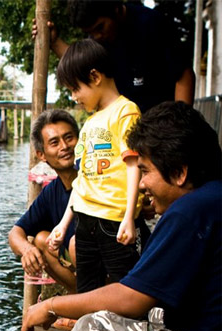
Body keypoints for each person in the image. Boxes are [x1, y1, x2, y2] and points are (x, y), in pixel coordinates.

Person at [22, 101, 222, 331]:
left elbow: (131, 298)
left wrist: (51, 308)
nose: (141, 183)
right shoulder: (209, 198)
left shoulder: (191, 211)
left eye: (144, 171)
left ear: (179, 172)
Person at [48, 39, 144, 295]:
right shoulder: (90, 124)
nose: (74, 97)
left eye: (75, 88)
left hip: (113, 221)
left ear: (95, 76)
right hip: (85, 220)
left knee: (128, 287)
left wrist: (128, 217)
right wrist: (63, 223)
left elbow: (134, 165)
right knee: (87, 287)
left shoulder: (126, 112)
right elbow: (83, 180)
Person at [33, 0, 194, 113]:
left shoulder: (152, 24)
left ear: (116, 9)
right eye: (90, 33)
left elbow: (184, 75)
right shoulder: (99, 40)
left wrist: (179, 123)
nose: (97, 36)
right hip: (130, 124)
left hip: (163, 121)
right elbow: (81, 66)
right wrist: (54, 42)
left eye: (100, 27)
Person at [8, 109, 79, 294]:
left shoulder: (95, 178)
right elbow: (15, 233)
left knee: (77, 244)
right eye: (54, 143)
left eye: (69, 138)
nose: (64, 146)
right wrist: (26, 250)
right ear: (42, 155)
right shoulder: (51, 192)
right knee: (40, 240)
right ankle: (81, 298)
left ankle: (91, 302)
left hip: (114, 264)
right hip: (81, 266)